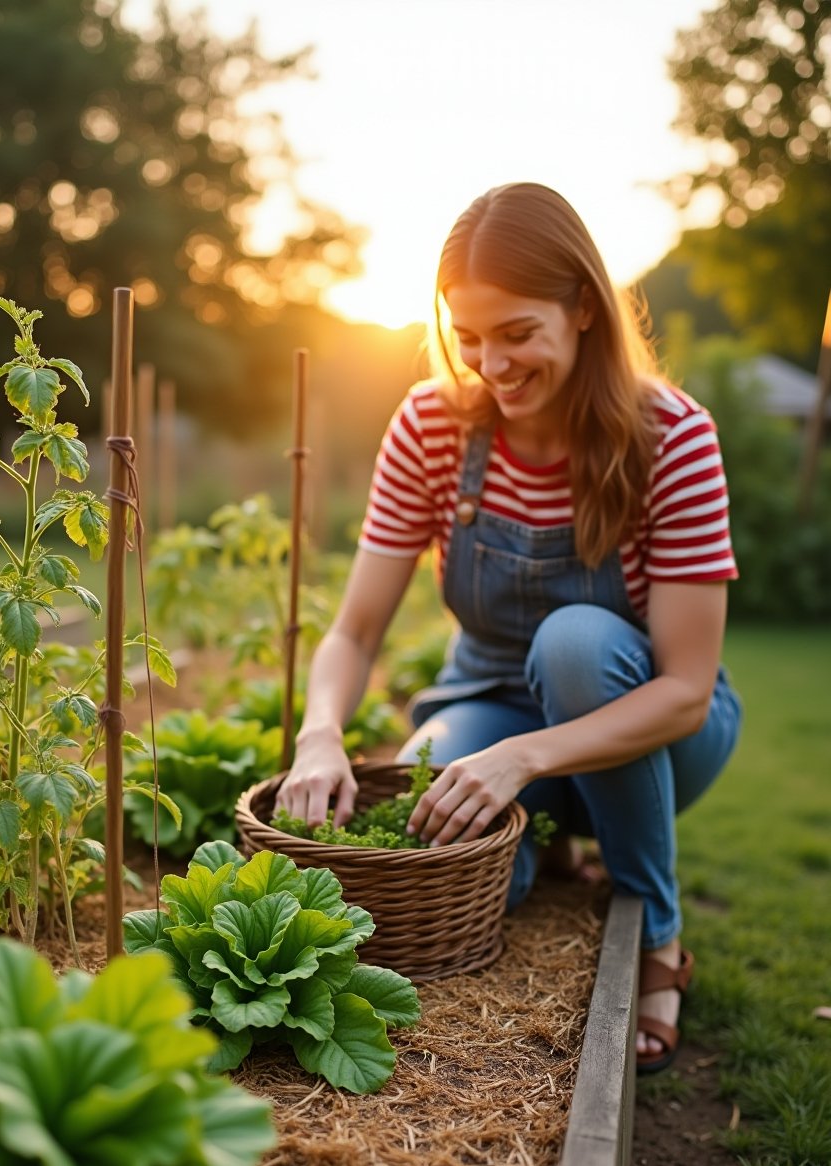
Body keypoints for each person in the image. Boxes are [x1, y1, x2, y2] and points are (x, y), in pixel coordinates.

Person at [275, 182, 742, 1075]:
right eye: (470, 335)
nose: (492, 363)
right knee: (443, 836)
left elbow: (684, 690)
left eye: (518, 333)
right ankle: (544, 851)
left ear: (584, 311)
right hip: (489, 697)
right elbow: (356, 629)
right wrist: (321, 735)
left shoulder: (671, 438)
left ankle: (658, 939)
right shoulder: (432, 425)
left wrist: (524, 757)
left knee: (575, 642)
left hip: (657, 731)